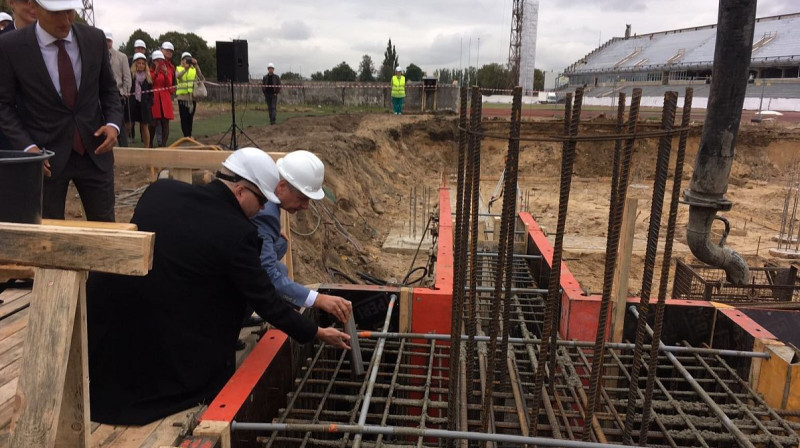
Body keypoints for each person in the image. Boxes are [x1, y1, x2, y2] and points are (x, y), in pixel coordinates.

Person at [86, 148, 352, 425]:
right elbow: (267, 302)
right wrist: (316, 332)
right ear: (240, 192)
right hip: (158, 360)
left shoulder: (161, 191)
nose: (263, 209)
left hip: (107, 333)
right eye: (262, 201)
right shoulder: (237, 234)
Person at [0, 0, 122, 222]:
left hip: (95, 152)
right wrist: (27, 147)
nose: (65, 20)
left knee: (106, 228)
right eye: (56, 13)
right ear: (35, 8)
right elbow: (3, 106)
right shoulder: (11, 46)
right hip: (45, 159)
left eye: (70, 11)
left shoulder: (94, 39)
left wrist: (113, 125)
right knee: (47, 236)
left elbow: (109, 91)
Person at [253, 150, 352, 323]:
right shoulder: (264, 213)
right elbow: (266, 274)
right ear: (282, 186)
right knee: (276, 272)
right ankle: (232, 316)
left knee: (280, 247)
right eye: (302, 198)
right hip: (214, 276)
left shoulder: (266, 190)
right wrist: (317, 299)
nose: (306, 206)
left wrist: (271, 235)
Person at [105, 31, 131, 146]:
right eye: (105, 40)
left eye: (109, 41)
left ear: (112, 41)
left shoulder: (122, 56)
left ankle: (124, 148)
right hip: (102, 94)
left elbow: (127, 76)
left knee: (118, 122)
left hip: (118, 93)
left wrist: (126, 91)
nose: (107, 43)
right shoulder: (97, 55)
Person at [125, 53, 153, 147]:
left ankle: (147, 148)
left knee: (144, 127)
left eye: (143, 63)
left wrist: (149, 104)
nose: (141, 65)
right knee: (128, 126)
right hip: (131, 104)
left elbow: (151, 94)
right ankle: (123, 146)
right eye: (139, 63)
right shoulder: (130, 76)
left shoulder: (148, 78)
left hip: (144, 106)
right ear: (135, 64)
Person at [149, 49, 174, 147]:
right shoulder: (150, 71)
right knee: (153, 123)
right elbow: (150, 82)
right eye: (157, 60)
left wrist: (165, 74)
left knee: (165, 122)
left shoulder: (167, 71)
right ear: (153, 61)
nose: (159, 62)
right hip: (154, 98)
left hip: (165, 98)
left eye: (161, 60)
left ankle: (163, 144)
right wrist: (155, 72)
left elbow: (169, 85)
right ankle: (150, 143)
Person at [175, 51, 202, 138]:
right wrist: (185, 69)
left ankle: (189, 135)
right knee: (184, 118)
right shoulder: (178, 68)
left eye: (188, 59)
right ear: (182, 61)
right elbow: (178, 76)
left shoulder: (193, 69)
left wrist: (196, 65)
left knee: (190, 117)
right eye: (184, 59)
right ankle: (186, 135)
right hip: (182, 97)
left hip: (192, 97)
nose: (186, 61)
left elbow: (201, 77)